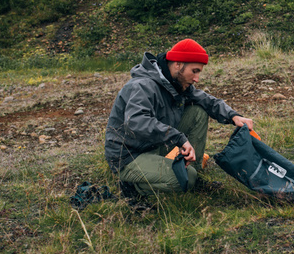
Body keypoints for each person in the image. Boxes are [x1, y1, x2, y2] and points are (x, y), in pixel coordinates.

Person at [104, 38, 254, 196]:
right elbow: (136, 122)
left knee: (198, 112)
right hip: (130, 156)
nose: (196, 78)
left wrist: (234, 116)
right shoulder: (142, 85)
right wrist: (178, 138)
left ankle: (194, 174)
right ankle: (135, 187)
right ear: (178, 64)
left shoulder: (175, 83)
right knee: (184, 179)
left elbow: (207, 101)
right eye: (194, 71)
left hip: (154, 144)